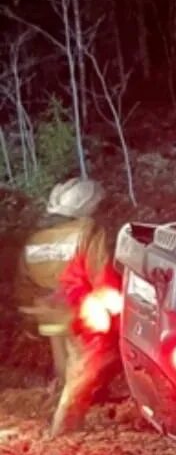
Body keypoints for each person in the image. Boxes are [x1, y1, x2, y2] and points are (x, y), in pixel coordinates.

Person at [16, 178, 120, 436]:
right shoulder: (88, 231)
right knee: (90, 366)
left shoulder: (36, 238)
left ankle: (58, 410)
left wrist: (35, 311)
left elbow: (23, 282)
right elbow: (102, 276)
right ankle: (63, 435)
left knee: (65, 366)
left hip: (46, 313)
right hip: (78, 312)